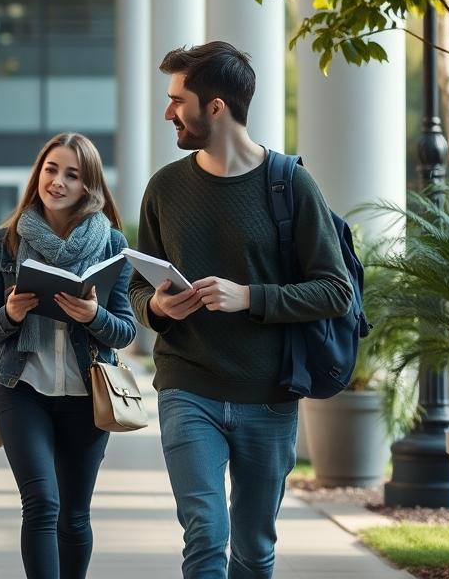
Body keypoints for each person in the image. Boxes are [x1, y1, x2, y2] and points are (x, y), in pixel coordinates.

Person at [127, 42, 353, 579]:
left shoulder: (290, 184)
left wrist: (249, 295)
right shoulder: (165, 187)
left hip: (268, 394)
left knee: (252, 548)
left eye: (177, 100)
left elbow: (335, 290)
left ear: (217, 107)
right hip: (187, 385)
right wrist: (157, 307)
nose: (167, 112)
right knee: (205, 531)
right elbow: (138, 287)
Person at [0, 132, 137, 579]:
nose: (58, 182)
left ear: (89, 186)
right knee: (42, 503)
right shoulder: (5, 243)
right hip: (21, 389)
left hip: (87, 393)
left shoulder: (111, 244)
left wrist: (93, 315)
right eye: (51, 169)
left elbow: (125, 332)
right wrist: (8, 313)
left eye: (72, 174)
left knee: (75, 514)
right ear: (37, 174)